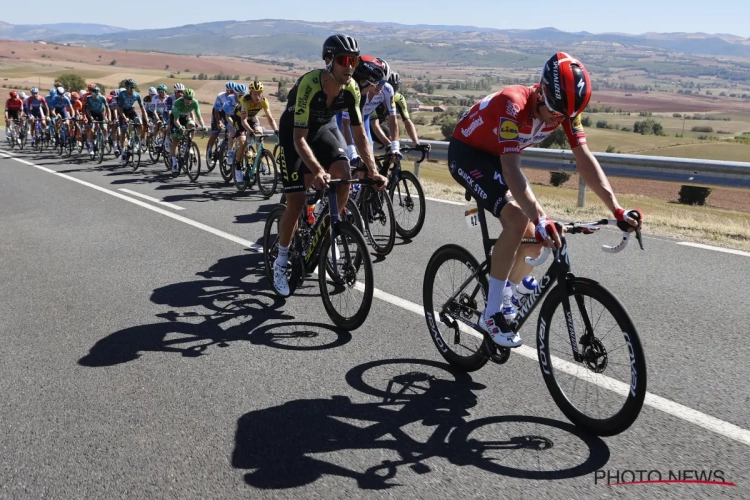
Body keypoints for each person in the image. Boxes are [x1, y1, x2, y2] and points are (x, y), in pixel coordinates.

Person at [448, 52, 643, 348]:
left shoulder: (564, 110)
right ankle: (490, 316)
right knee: (519, 218)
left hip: (499, 157)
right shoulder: (512, 104)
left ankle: (507, 292)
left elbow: (585, 161)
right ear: (541, 91)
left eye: (566, 116)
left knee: (541, 238)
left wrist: (616, 209)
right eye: (554, 112)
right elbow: (510, 169)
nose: (559, 119)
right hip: (468, 153)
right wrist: (540, 217)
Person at [272, 34, 388, 296]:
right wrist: (318, 171)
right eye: (344, 60)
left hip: (324, 128)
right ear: (329, 61)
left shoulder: (352, 89)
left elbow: (359, 135)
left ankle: (330, 226)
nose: (350, 66)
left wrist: (373, 171)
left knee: (344, 173)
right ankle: (280, 261)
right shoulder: (311, 84)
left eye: (354, 61)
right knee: (297, 201)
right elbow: (300, 139)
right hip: (295, 133)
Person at [234, 80, 278, 183]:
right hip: (240, 119)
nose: (257, 97)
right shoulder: (245, 101)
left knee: (260, 134)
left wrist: (276, 130)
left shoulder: (264, 101)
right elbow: (244, 121)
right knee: (243, 142)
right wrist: (250, 131)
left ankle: (259, 159)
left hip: (252, 118)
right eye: (254, 94)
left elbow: (270, 117)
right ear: (250, 93)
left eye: (259, 93)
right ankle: (237, 166)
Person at [168, 88, 206, 173]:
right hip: (176, 118)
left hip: (185, 117)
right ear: (183, 97)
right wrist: (180, 127)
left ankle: (188, 144)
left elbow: (199, 116)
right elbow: (176, 120)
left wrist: (203, 126)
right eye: (186, 98)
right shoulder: (178, 103)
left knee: (192, 126)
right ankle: (174, 162)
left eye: (190, 99)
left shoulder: (195, 103)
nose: (188, 101)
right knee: (176, 139)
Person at [83, 86, 111, 157]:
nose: (96, 95)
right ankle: (91, 146)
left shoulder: (102, 98)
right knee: (92, 129)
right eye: (94, 94)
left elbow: (107, 108)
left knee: (104, 128)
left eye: (97, 94)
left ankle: (106, 140)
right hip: (91, 113)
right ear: (91, 93)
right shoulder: (88, 98)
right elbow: (87, 109)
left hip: (100, 113)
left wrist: (108, 118)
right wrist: (90, 117)